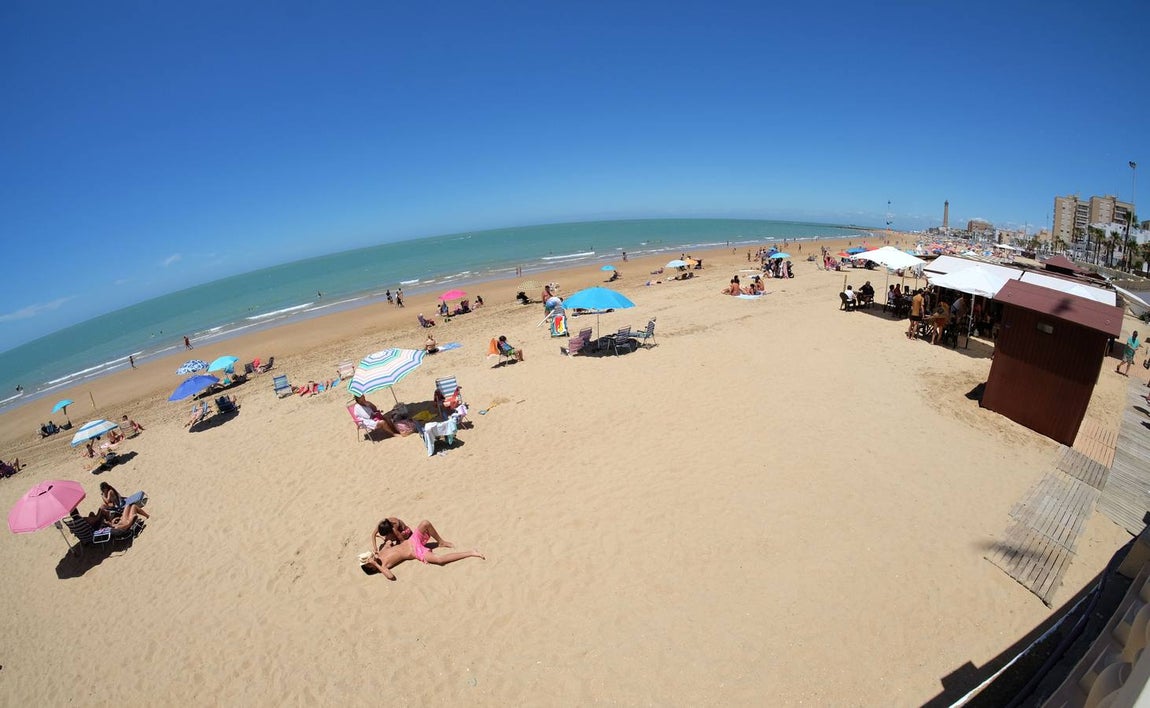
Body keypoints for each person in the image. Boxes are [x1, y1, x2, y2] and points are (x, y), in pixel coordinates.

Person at [364, 518, 483, 580]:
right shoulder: (383, 566)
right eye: (368, 562)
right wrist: (376, 564)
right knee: (440, 560)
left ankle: (441, 542)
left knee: (425, 523)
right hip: (415, 552)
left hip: (412, 540)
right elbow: (390, 577)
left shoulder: (381, 552)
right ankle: (471, 552)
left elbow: (388, 541)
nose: (369, 559)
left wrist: (379, 544)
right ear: (372, 567)